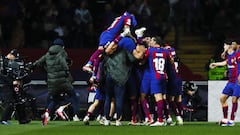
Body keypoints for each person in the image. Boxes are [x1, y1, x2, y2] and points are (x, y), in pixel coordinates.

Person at [33, 38, 80, 126]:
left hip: (51, 81)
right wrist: (66, 70)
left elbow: (38, 63)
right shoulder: (62, 52)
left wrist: (46, 70)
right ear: (62, 46)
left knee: (55, 99)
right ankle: (74, 115)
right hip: (63, 80)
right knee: (74, 97)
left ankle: (47, 114)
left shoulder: (47, 54)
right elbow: (62, 61)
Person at [82, 11, 138, 82]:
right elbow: (127, 31)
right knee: (101, 50)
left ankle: (94, 76)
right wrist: (133, 38)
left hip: (107, 34)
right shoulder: (128, 17)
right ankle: (88, 64)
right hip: (109, 35)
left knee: (101, 56)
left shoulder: (121, 17)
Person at [142, 36, 171, 126]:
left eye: (152, 40)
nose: (150, 42)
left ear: (155, 42)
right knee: (163, 98)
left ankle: (160, 120)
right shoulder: (166, 51)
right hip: (163, 75)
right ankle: (167, 118)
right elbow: (171, 62)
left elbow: (142, 57)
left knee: (158, 98)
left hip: (155, 76)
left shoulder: (150, 51)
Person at [209, 40, 238, 126]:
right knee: (223, 98)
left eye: (225, 45)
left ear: (229, 46)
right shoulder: (228, 56)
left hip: (237, 81)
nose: (224, 46)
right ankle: (225, 119)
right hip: (231, 81)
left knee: (234, 99)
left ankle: (232, 121)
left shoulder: (236, 54)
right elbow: (226, 62)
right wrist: (215, 64)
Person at [0, 49, 33, 125]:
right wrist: (11, 82)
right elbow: (2, 76)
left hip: (13, 85)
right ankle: (3, 120)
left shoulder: (12, 63)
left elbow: (18, 74)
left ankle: (22, 119)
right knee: (10, 102)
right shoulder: (3, 63)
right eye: (13, 56)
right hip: (5, 85)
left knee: (20, 101)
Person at [165, 44, 183, 125]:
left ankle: (177, 117)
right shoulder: (177, 60)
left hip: (172, 79)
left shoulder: (169, 61)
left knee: (170, 99)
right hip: (178, 78)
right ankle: (181, 118)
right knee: (178, 99)